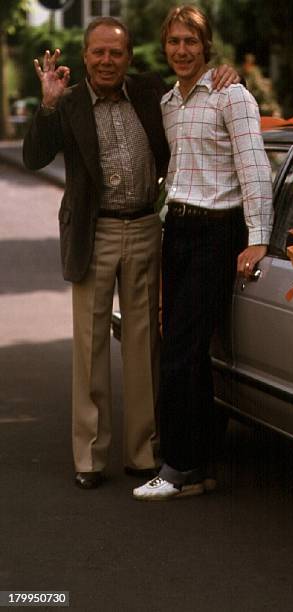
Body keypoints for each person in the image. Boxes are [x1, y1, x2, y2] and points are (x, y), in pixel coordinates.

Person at [22, 17, 239, 489]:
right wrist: (46, 105)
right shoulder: (70, 101)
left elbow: (195, 91)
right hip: (93, 233)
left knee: (144, 347)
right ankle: (90, 457)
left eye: (115, 53)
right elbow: (34, 157)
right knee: (90, 346)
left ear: (128, 59)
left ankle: (143, 452)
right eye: (98, 53)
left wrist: (227, 73)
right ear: (84, 57)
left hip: (144, 226)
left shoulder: (149, 91)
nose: (106, 60)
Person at [133, 5, 273, 500]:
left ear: (206, 46)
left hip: (218, 232)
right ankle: (199, 460)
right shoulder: (169, 101)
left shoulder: (231, 96)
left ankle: (181, 466)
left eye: (190, 42)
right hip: (180, 231)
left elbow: (255, 169)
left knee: (182, 352)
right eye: (173, 42)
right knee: (187, 349)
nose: (181, 51)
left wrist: (257, 237)